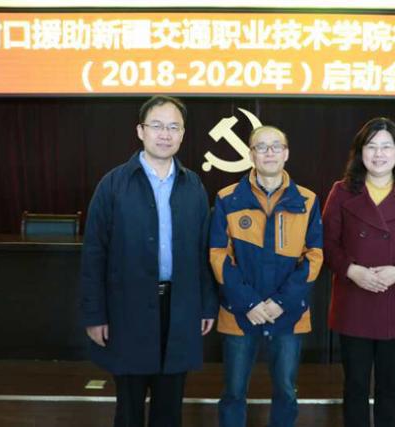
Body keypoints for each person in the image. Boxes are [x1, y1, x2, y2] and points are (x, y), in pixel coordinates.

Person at [80, 95, 218, 427]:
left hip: (180, 307)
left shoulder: (193, 186)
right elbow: (94, 254)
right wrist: (95, 314)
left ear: (183, 134)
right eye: (157, 126)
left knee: (169, 407)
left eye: (173, 127)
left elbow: (204, 252)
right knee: (129, 408)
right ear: (141, 131)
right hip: (127, 308)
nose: (165, 134)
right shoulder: (113, 184)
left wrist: (206, 305)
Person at [322, 117, 395, 427]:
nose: (378, 154)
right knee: (355, 385)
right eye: (371, 146)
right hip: (354, 300)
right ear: (360, 152)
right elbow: (327, 245)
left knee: (390, 385)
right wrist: (351, 270)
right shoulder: (341, 191)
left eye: (386, 147)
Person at [209, 125, 323, 427]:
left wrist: (281, 302)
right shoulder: (227, 198)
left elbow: (314, 256)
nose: (269, 152)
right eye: (261, 147)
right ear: (251, 154)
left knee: (286, 391)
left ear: (286, 153)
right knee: (233, 391)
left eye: (276, 146)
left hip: (288, 313)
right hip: (239, 312)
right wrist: (249, 302)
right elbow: (218, 255)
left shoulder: (308, 200)